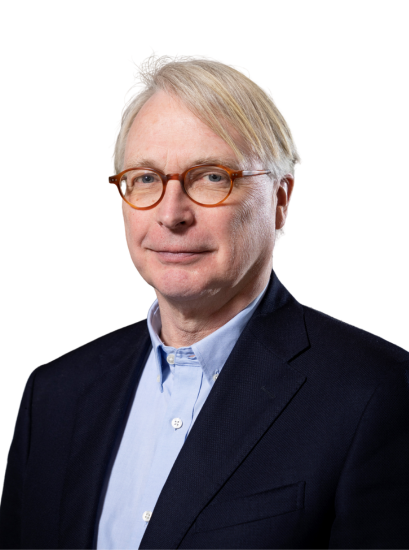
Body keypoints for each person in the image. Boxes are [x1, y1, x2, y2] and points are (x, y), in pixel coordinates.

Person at [0, 57, 408, 550]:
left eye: (211, 177)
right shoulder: (54, 396)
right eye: (145, 178)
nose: (171, 214)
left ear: (280, 200)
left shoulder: (376, 393)